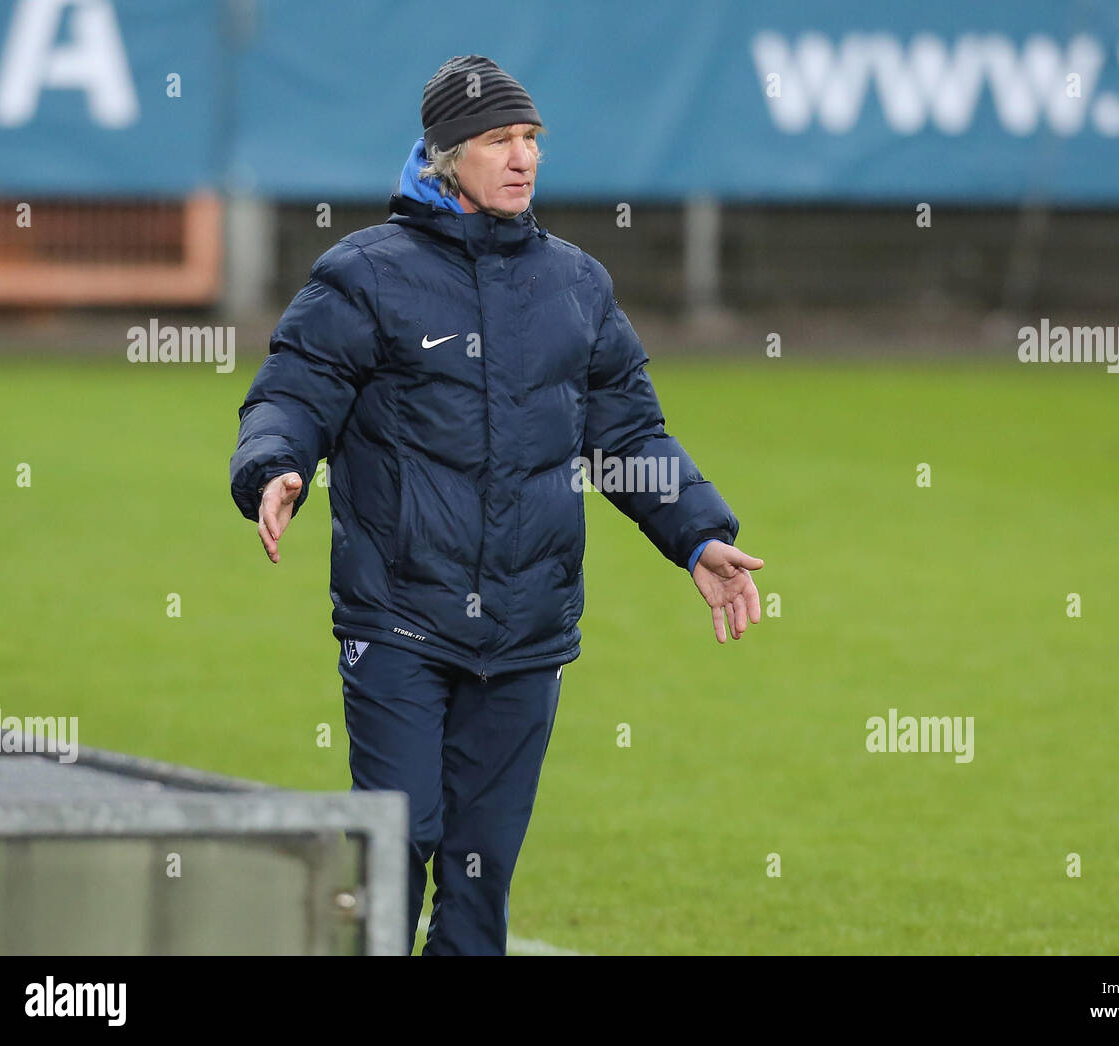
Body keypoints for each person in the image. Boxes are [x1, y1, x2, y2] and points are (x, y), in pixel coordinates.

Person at [229, 55, 764, 955]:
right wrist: (276, 464)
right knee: (397, 852)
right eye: (497, 141)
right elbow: (295, 389)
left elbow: (629, 433)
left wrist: (699, 533)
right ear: (443, 156)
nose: (522, 159)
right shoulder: (364, 275)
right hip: (399, 620)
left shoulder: (577, 285)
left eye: (531, 141)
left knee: (480, 880)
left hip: (527, 632)